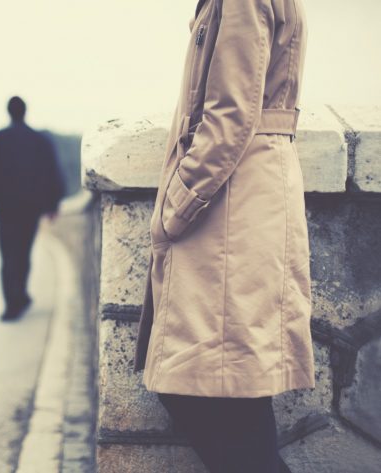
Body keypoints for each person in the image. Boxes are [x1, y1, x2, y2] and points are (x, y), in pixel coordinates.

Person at [133, 1, 312, 472]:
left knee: (204, 385)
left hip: (233, 203)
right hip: (244, 196)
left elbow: (231, 113)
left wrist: (177, 204)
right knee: (234, 389)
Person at [0, 96, 64, 321]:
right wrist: (53, 205)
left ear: (8, 112)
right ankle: (20, 294)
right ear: (25, 111)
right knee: (24, 252)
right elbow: (52, 173)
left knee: (8, 255)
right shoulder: (40, 141)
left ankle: (11, 302)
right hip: (31, 208)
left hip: (5, 207)